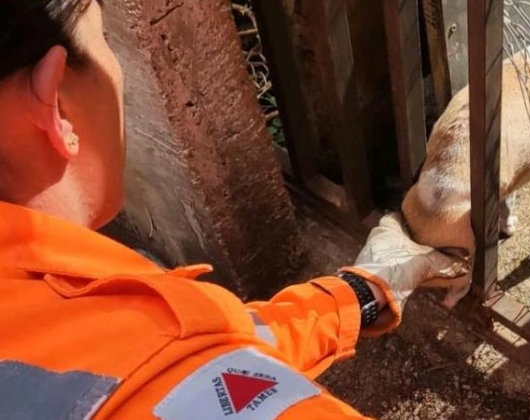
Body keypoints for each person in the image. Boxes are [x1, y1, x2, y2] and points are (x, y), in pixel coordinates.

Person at [0, 1, 470, 419]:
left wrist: (362, 292)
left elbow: (220, 351)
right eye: (104, 38)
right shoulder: (148, 364)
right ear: (57, 101)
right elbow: (189, 369)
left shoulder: (51, 315)